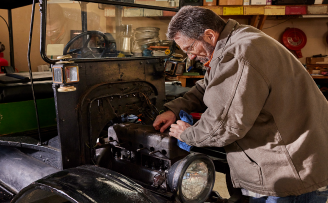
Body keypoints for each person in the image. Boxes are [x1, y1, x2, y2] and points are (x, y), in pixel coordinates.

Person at [153, 6, 328, 203]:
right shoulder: (235, 41)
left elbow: (224, 125)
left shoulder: (239, 53)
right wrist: (174, 109)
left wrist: (186, 133)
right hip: (291, 161)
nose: (190, 57)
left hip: (288, 173)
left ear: (209, 35)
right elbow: (207, 86)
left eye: (190, 48)